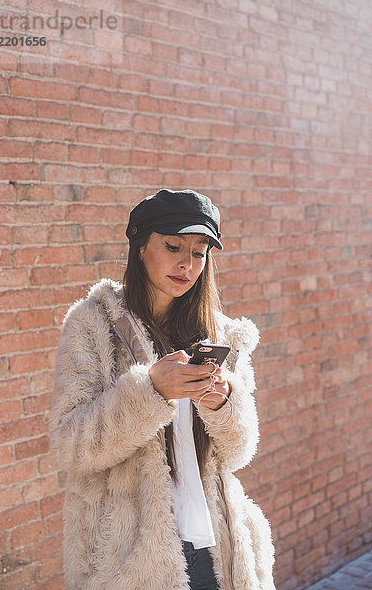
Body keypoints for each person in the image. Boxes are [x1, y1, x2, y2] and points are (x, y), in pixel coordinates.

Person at [50, 188, 275, 590]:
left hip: (214, 544)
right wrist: (150, 393)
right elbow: (71, 445)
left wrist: (223, 404)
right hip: (130, 556)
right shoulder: (93, 326)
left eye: (200, 252)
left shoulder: (219, 332)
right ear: (140, 247)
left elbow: (240, 452)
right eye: (173, 246)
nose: (186, 264)